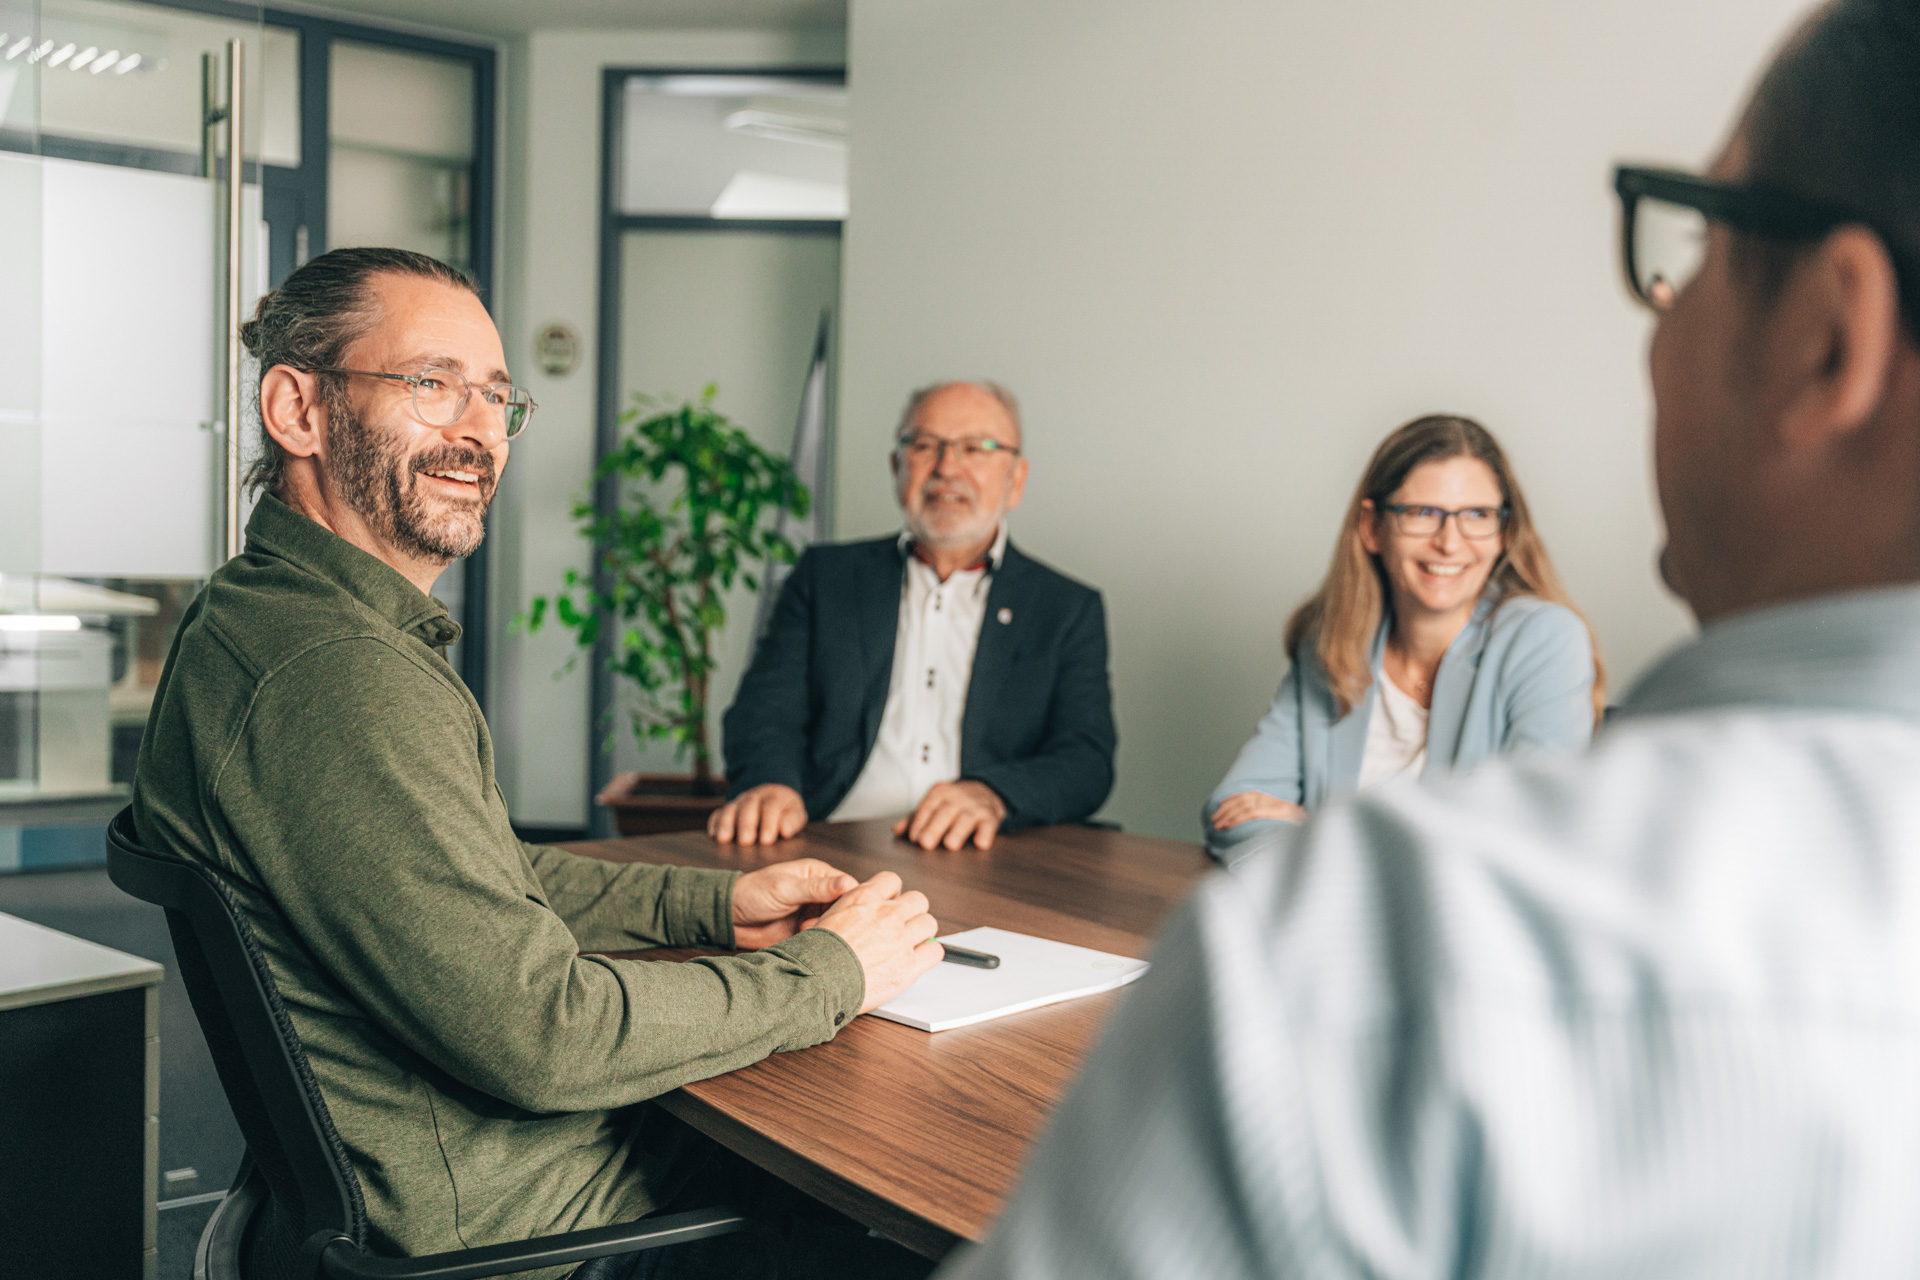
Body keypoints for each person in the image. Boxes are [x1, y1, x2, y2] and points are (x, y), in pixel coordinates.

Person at [940, 0, 1920, 1275]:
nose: (1662, 312)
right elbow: (1236, 800)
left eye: (1693, 246)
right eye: (1425, 513)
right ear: (1373, 529)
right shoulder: (1335, 670)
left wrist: (1309, 860)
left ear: (1828, 337)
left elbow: (1303, 826)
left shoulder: (1366, 958)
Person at [132, 247, 942, 1279]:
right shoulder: (337, 675)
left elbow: (483, 876)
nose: (477, 431)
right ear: (297, 408)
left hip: (475, 1186)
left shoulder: (261, 615)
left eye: (497, 398)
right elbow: (545, 1032)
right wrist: (832, 971)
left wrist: (714, 909)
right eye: (431, 383)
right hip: (540, 1236)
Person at [712, 381, 1116, 852]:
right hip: (829, 841)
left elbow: (1086, 761)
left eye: (976, 448)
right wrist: (770, 783)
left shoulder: (1064, 608)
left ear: (1016, 479)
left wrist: (994, 795)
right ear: (896, 466)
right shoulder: (826, 578)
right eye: (924, 445)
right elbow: (764, 711)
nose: (947, 467)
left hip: (984, 855)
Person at [1204, 415, 1602, 864]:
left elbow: (1527, 841)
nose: (1450, 543)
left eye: (1477, 515)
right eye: (1422, 513)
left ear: (1504, 534)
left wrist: (1319, 831)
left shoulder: (1544, 639)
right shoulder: (1331, 642)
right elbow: (1234, 812)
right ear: (1373, 528)